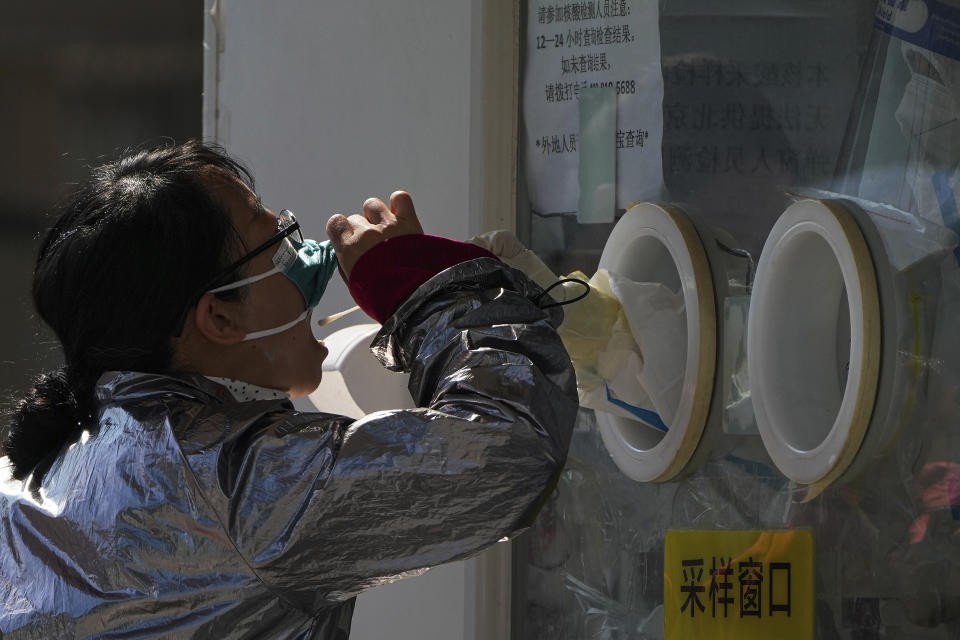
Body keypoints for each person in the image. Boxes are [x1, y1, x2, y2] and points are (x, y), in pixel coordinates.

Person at [0, 140, 578, 639]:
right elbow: (509, 447)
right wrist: (427, 292)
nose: (306, 259)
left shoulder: (28, 479)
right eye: (275, 242)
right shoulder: (238, 485)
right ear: (219, 320)